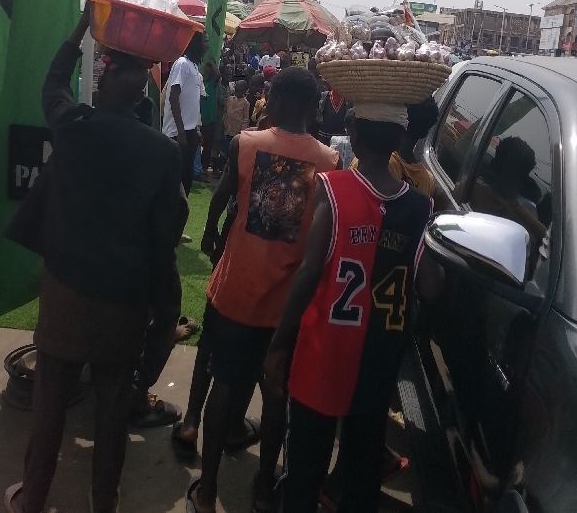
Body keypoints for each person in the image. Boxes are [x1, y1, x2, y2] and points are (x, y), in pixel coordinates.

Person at [4, 5, 185, 513]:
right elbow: (165, 236)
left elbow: (53, 85)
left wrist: (83, 25)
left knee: (49, 407)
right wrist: (162, 309)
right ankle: (103, 501)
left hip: (65, 292)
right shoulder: (162, 153)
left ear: (102, 86)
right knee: (111, 415)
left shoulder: (74, 127)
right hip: (124, 304)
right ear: (142, 96)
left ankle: (32, 498)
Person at [265, 109, 442, 513]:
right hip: (379, 357)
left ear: (355, 137)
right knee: (362, 471)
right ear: (398, 142)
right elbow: (431, 289)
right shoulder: (420, 207)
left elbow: (309, 272)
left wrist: (278, 344)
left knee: (305, 467)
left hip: (324, 351)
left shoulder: (334, 188)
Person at [183, 67, 339, 513]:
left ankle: (207, 492)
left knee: (223, 386)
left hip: (235, 292)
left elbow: (222, 196)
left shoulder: (245, 144)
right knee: (276, 397)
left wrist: (211, 233)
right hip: (286, 306)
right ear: (313, 107)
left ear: (277, 101)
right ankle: (265, 489)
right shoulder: (329, 162)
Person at [163, 31, 208, 196]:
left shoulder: (194, 67)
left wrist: (195, 129)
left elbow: (191, 102)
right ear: (195, 43)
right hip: (177, 132)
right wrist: (181, 131)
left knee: (187, 180)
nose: (207, 45)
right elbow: (173, 97)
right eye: (204, 41)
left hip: (189, 131)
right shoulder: (182, 64)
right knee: (176, 181)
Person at [200, 60, 221, 180]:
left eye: (209, 71)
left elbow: (218, 74)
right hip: (198, 119)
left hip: (209, 119)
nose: (206, 73)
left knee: (207, 145)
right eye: (205, 71)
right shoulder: (200, 82)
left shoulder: (213, 83)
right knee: (197, 145)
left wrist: (211, 61)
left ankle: (204, 168)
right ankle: (196, 168)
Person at [222, 79, 250, 156]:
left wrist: (243, 131)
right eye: (237, 91)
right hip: (227, 130)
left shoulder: (245, 103)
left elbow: (245, 118)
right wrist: (224, 122)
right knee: (225, 149)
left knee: (234, 150)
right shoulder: (230, 99)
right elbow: (225, 111)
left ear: (244, 91)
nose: (238, 93)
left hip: (237, 132)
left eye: (240, 91)